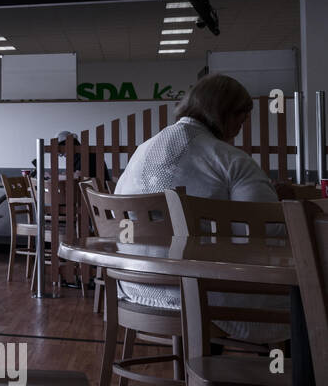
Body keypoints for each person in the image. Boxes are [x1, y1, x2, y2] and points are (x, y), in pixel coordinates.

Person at [114, 73, 287, 345]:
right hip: (202, 293)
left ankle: (205, 365)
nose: (240, 129)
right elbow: (269, 228)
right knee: (306, 292)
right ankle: (281, 378)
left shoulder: (141, 152)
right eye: (240, 120)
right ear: (226, 114)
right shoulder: (230, 160)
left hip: (135, 285)